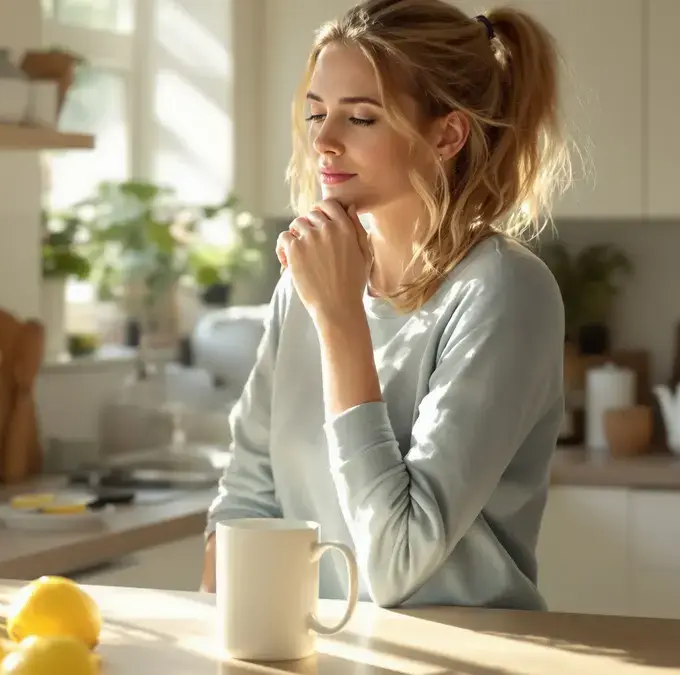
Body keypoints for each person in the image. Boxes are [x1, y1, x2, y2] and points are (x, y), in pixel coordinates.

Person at [200, 0, 571, 611]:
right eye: (317, 113)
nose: (323, 140)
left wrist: (342, 323)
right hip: (320, 652)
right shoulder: (307, 281)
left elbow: (397, 564)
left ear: (447, 133)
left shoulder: (503, 291)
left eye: (362, 118)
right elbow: (246, 495)